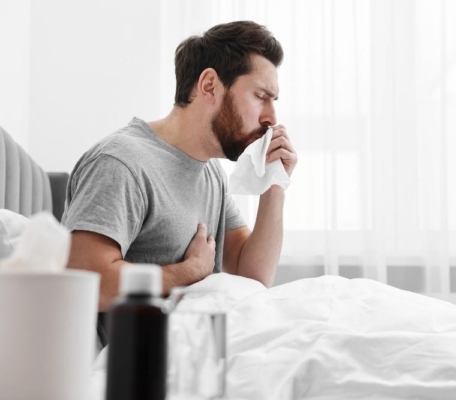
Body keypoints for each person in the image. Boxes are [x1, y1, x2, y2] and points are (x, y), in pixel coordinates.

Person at [62, 21, 297, 311]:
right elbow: (87, 284)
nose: (272, 118)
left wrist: (275, 184)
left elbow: (253, 277)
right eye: (260, 97)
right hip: (142, 339)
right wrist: (188, 271)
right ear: (209, 85)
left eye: (273, 101)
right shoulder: (121, 162)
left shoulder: (210, 173)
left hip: (198, 333)